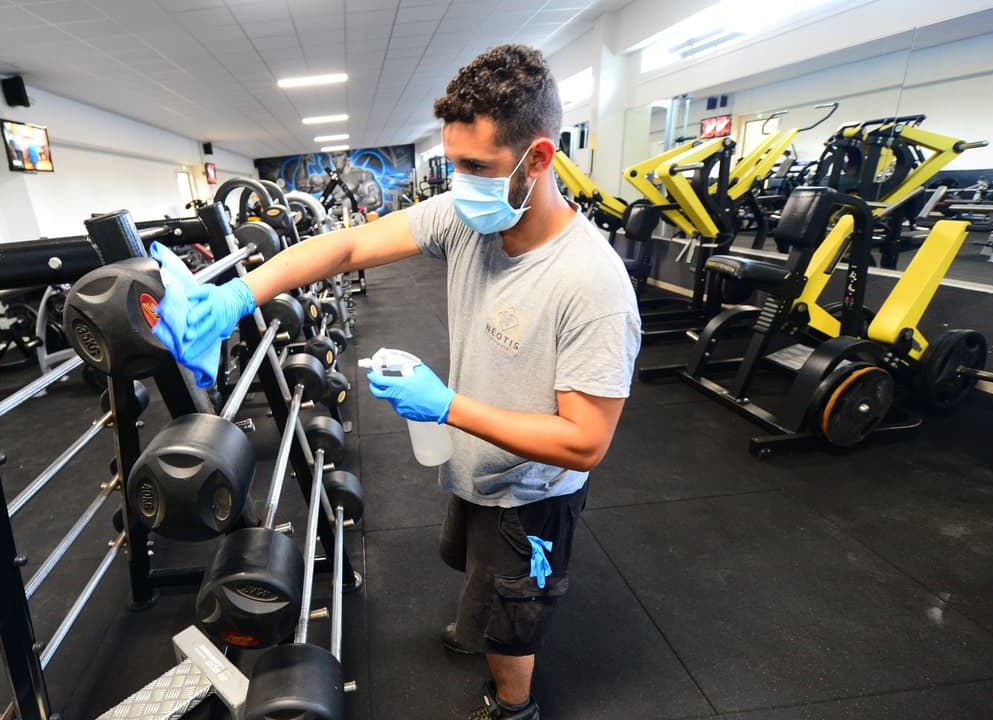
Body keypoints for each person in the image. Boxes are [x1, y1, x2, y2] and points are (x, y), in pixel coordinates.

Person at [167, 44, 640, 720]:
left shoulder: (592, 286)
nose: (461, 183)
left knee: (514, 615)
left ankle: (514, 705)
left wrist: (445, 405)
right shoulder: (471, 218)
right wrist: (238, 296)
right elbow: (349, 245)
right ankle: (478, 618)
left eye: (478, 167)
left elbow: (584, 442)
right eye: (455, 164)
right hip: (478, 463)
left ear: (538, 159)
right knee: (478, 573)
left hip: (532, 495)